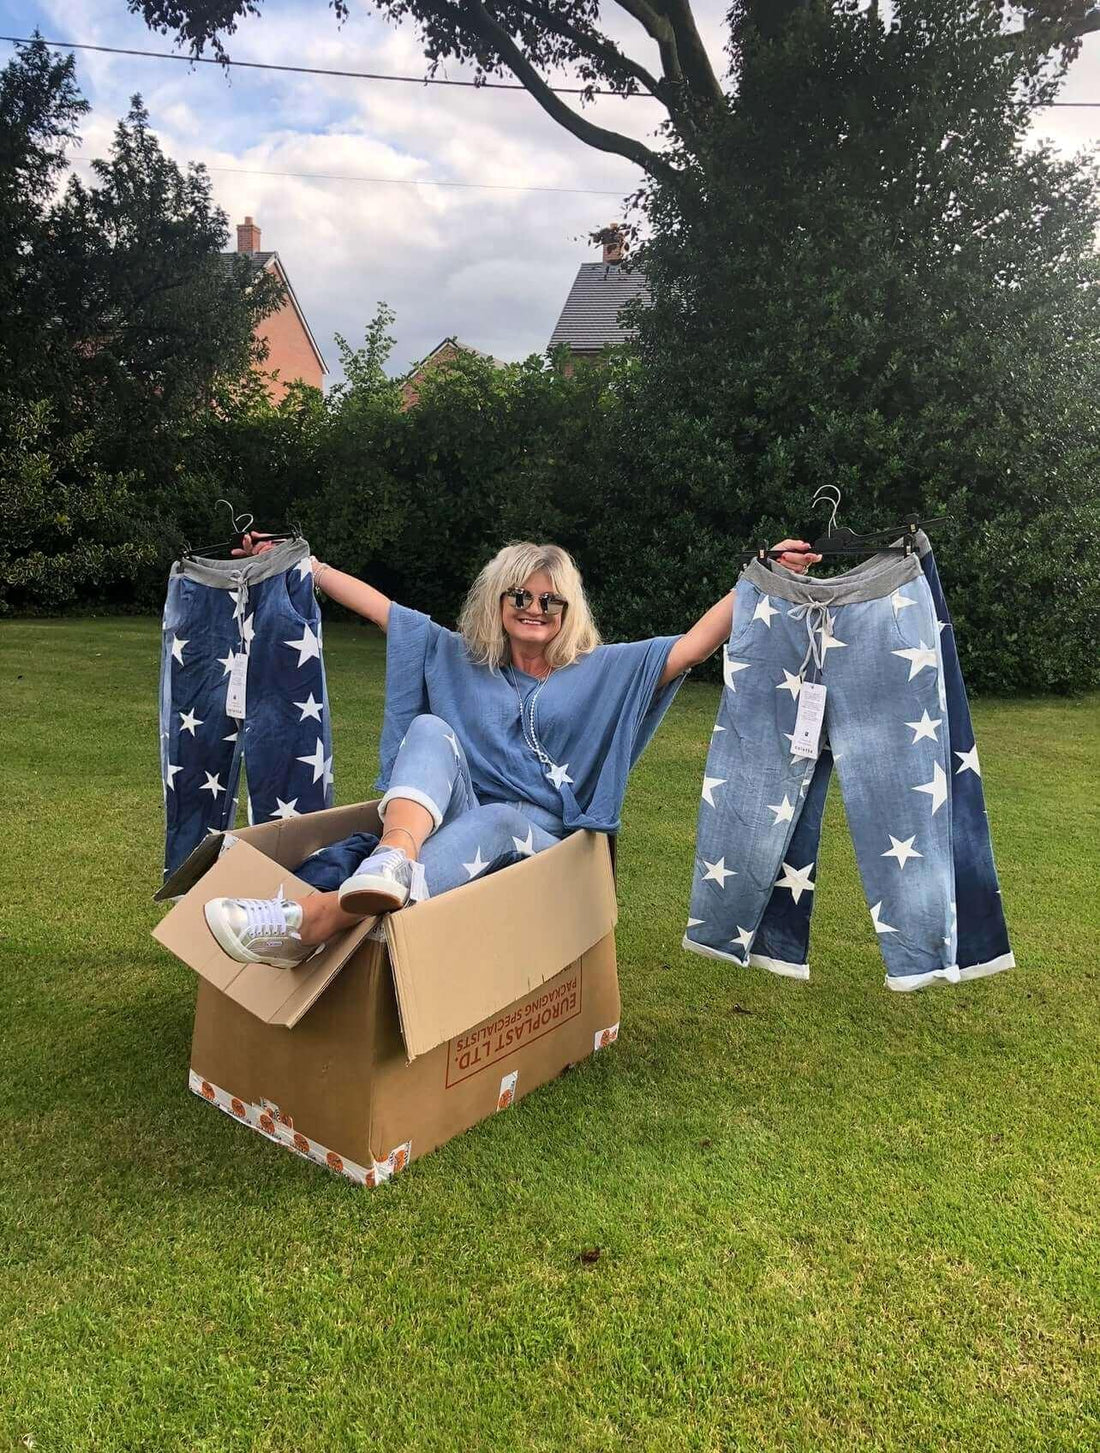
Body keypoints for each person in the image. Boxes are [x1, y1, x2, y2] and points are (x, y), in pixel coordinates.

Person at [204, 535, 820, 968]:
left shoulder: (602, 668)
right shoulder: (460, 658)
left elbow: (691, 647)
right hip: (454, 824)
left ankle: (311, 920)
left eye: (550, 600)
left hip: (548, 848)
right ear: (497, 603)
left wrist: (760, 579)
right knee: (429, 729)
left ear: (568, 610)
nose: (534, 609)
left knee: (499, 819)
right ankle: (391, 863)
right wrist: (298, 565)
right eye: (519, 596)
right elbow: (382, 609)